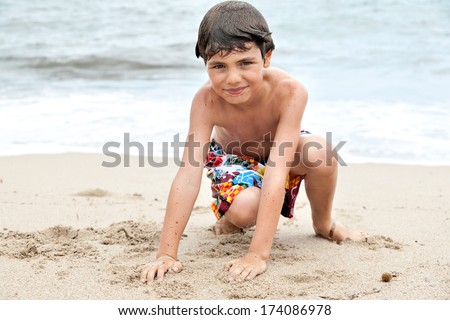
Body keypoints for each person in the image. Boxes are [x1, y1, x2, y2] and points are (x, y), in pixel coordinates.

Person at [140, 0, 364, 283]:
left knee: (321, 152)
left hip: (279, 156)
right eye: (218, 66)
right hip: (234, 160)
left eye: (245, 63)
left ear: (267, 57)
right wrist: (166, 253)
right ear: (205, 64)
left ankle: (323, 224)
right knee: (247, 208)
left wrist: (258, 255)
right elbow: (188, 175)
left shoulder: (290, 91)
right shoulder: (206, 101)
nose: (233, 78)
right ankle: (230, 219)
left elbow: (278, 168)